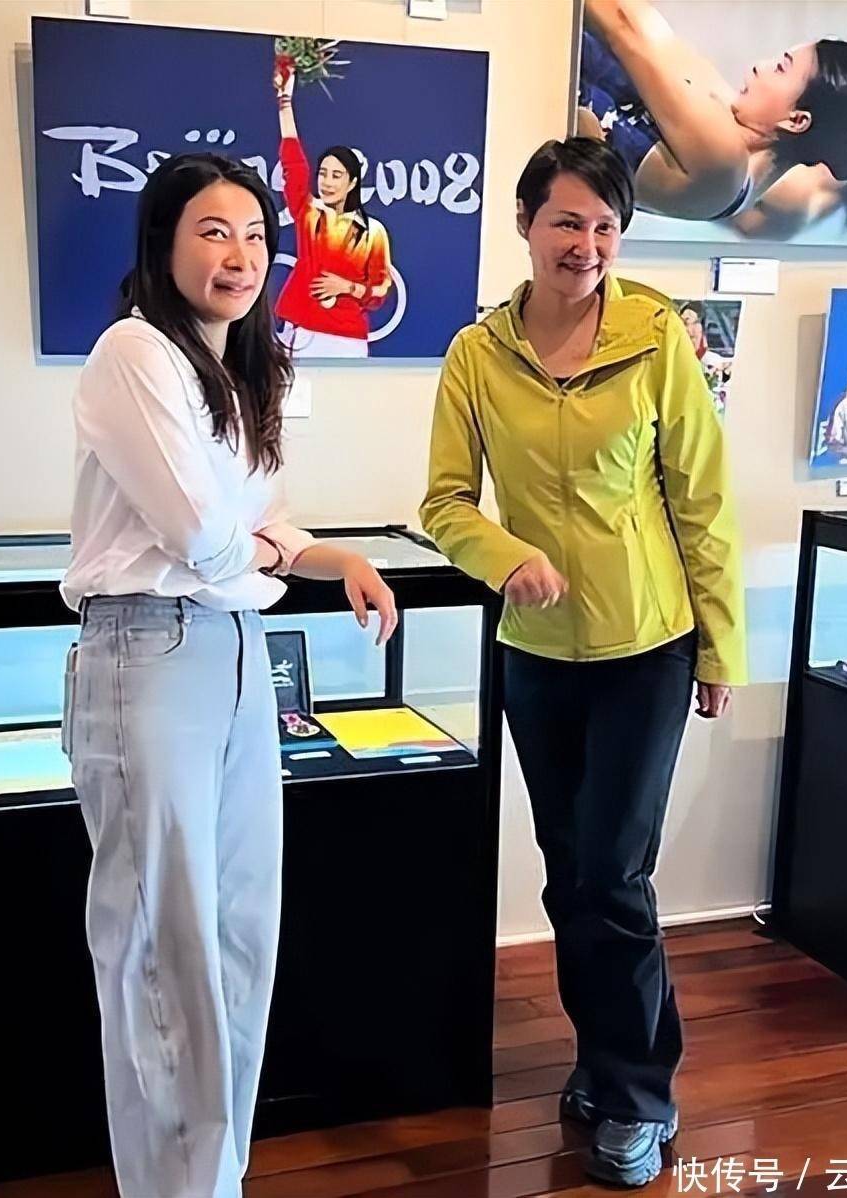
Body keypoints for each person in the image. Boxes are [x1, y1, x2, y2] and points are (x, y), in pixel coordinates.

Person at [60, 153, 397, 1198]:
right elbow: (204, 537)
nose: (239, 255)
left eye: (255, 235)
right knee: (163, 950)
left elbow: (258, 525)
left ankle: (215, 1178)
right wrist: (258, 548)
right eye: (212, 231)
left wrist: (332, 558)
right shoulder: (133, 351)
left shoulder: (243, 371)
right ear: (163, 243)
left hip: (236, 650)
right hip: (150, 652)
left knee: (241, 936)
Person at [420, 138, 746, 1188]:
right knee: (570, 875)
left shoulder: (656, 340)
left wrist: (719, 645)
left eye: (606, 227)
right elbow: (443, 502)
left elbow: (701, 501)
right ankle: (600, 1058)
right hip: (536, 657)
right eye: (567, 221)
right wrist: (505, 556)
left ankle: (640, 1094)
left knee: (613, 873)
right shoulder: (477, 354)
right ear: (525, 223)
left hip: (645, 649)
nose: (588, 245)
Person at [576, 0, 847, 237]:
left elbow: (626, 32)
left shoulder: (724, 162)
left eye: (780, 68)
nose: (758, 67)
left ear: (796, 121)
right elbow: (651, 31)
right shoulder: (732, 136)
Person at [271, 65, 392, 358]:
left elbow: (380, 289)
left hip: (347, 339)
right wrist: (284, 103)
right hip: (303, 332)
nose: (326, 182)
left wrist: (347, 287)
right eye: (323, 173)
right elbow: (293, 162)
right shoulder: (309, 213)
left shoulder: (372, 232)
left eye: (336, 176)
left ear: (352, 182)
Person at [678, 300, 732, 416]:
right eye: (682, 323)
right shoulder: (676, 362)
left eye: (690, 322)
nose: (687, 329)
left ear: (703, 326)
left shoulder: (715, 363)